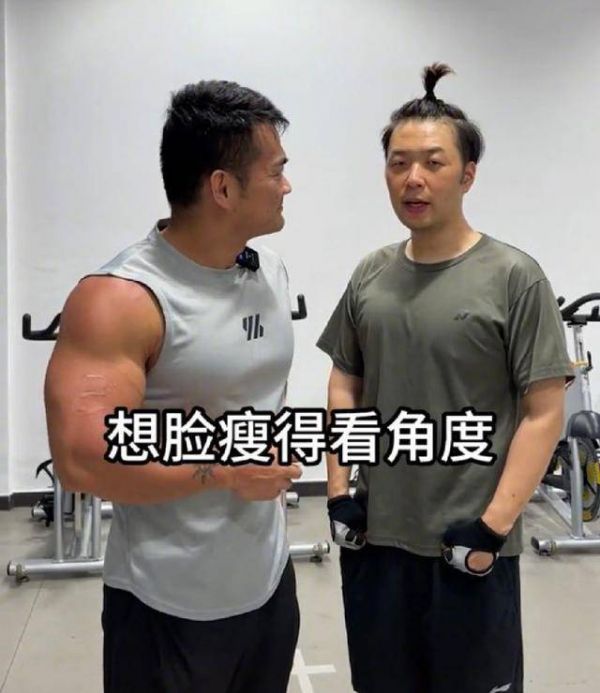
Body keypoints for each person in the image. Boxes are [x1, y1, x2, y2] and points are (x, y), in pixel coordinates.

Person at [318, 63, 573, 693]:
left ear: (468, 174)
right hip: (377, 540)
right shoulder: (370, 274)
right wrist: (338, 491)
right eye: (399, 163)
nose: (413, 179)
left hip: (468, 547)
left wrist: (493, 527)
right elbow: (345, 381)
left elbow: (544, 412)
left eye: (433, 163)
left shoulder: (514, 277)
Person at [44, 80, 303, 693]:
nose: (288, 186)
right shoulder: (120, 300)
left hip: (267, 583)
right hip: (166, 603)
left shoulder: (268, 270)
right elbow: (81, 460)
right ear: (223, 188)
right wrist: (226, 470)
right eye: (276, 171)